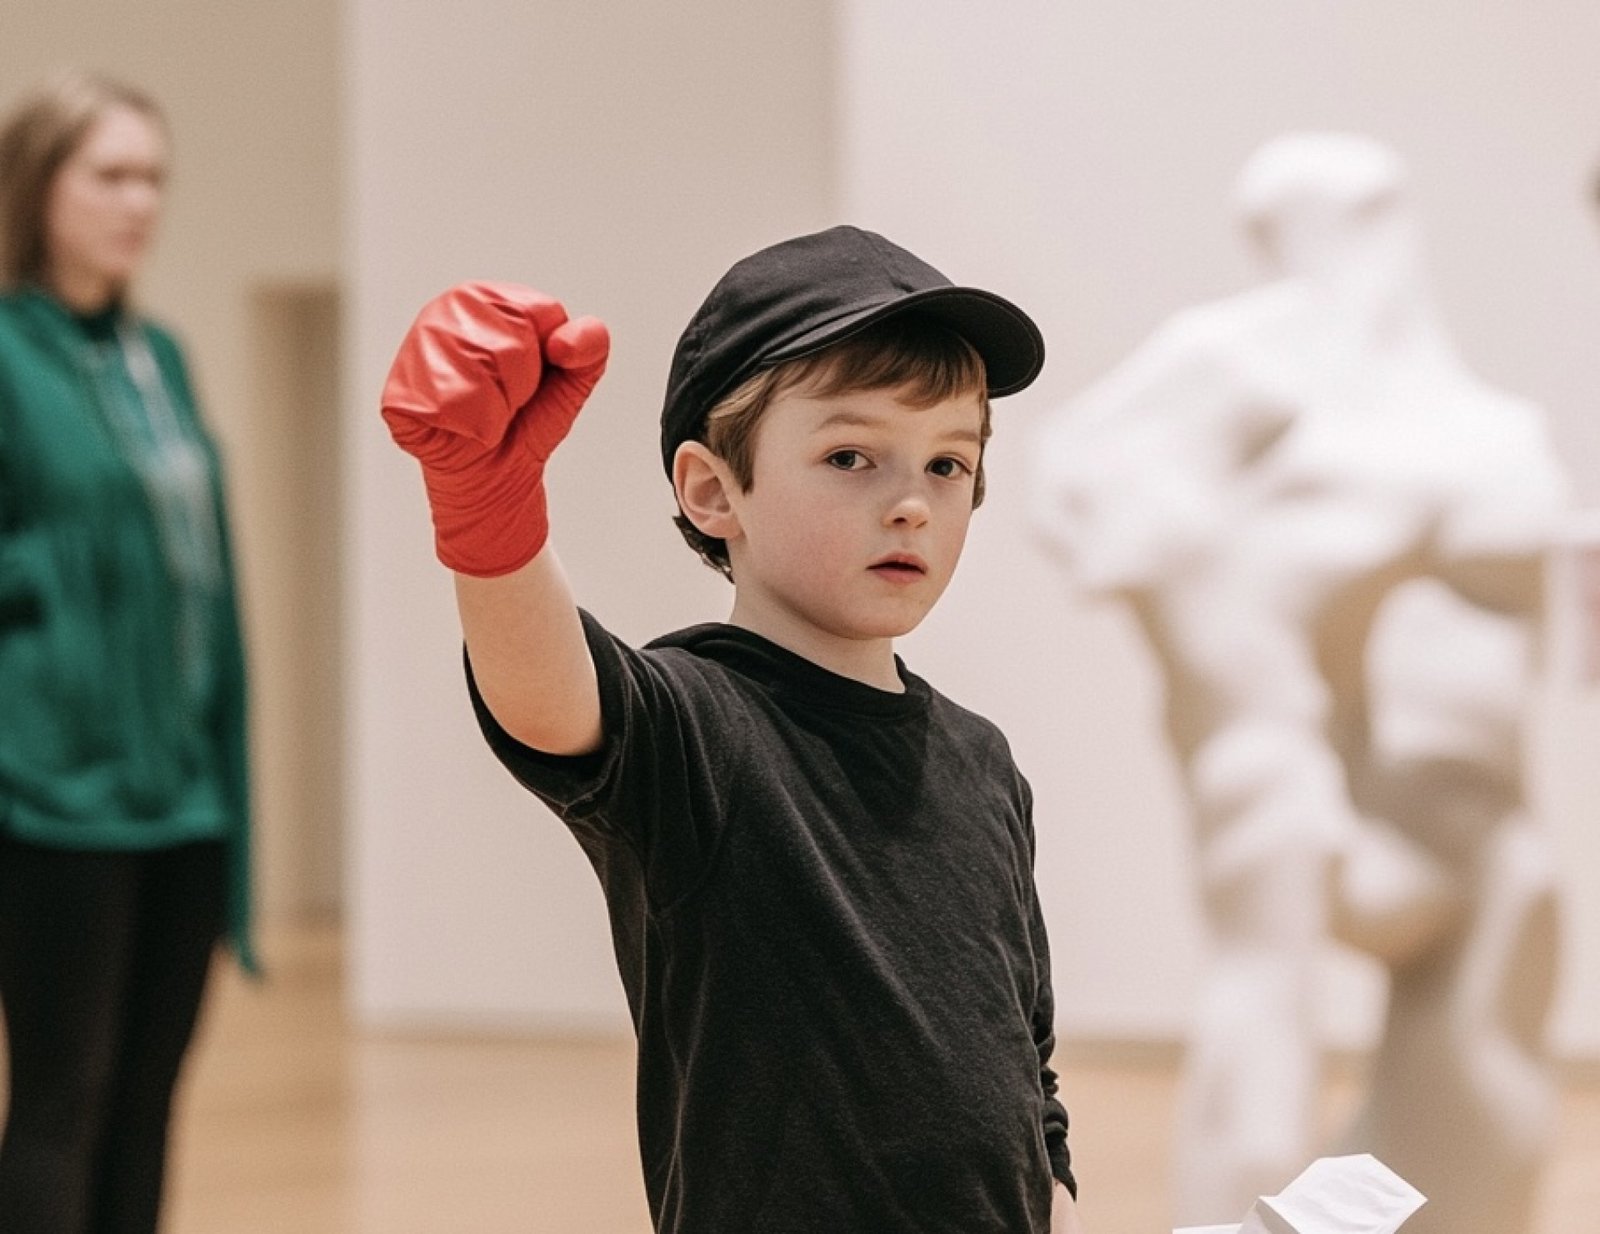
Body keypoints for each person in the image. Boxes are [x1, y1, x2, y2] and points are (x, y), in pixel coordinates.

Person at [380, 225, 1083, 1234]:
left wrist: (1048, 1187)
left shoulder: (982, 762)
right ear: (714, 491)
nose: (911, 505)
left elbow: (1025, 1053)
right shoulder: (695, 727)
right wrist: (488, 509)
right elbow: (549, 695)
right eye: (852, 455)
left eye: (947, 464)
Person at [1029, 133, 1564, 1234]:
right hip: (1295, 785)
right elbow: (1080, 492)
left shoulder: (1481, 422)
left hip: (1474, 824)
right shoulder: (1242, 365)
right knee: (1262, 1063)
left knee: (1478, 1128)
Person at [0, 71, 255, 1232]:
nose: (139, 200)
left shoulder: (165, 358)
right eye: (108, 174)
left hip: (185, 796)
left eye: (153, 175)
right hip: (56, 796)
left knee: (149, 1102)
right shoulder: (6, 354)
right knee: (62, 1100)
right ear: (35, 186)